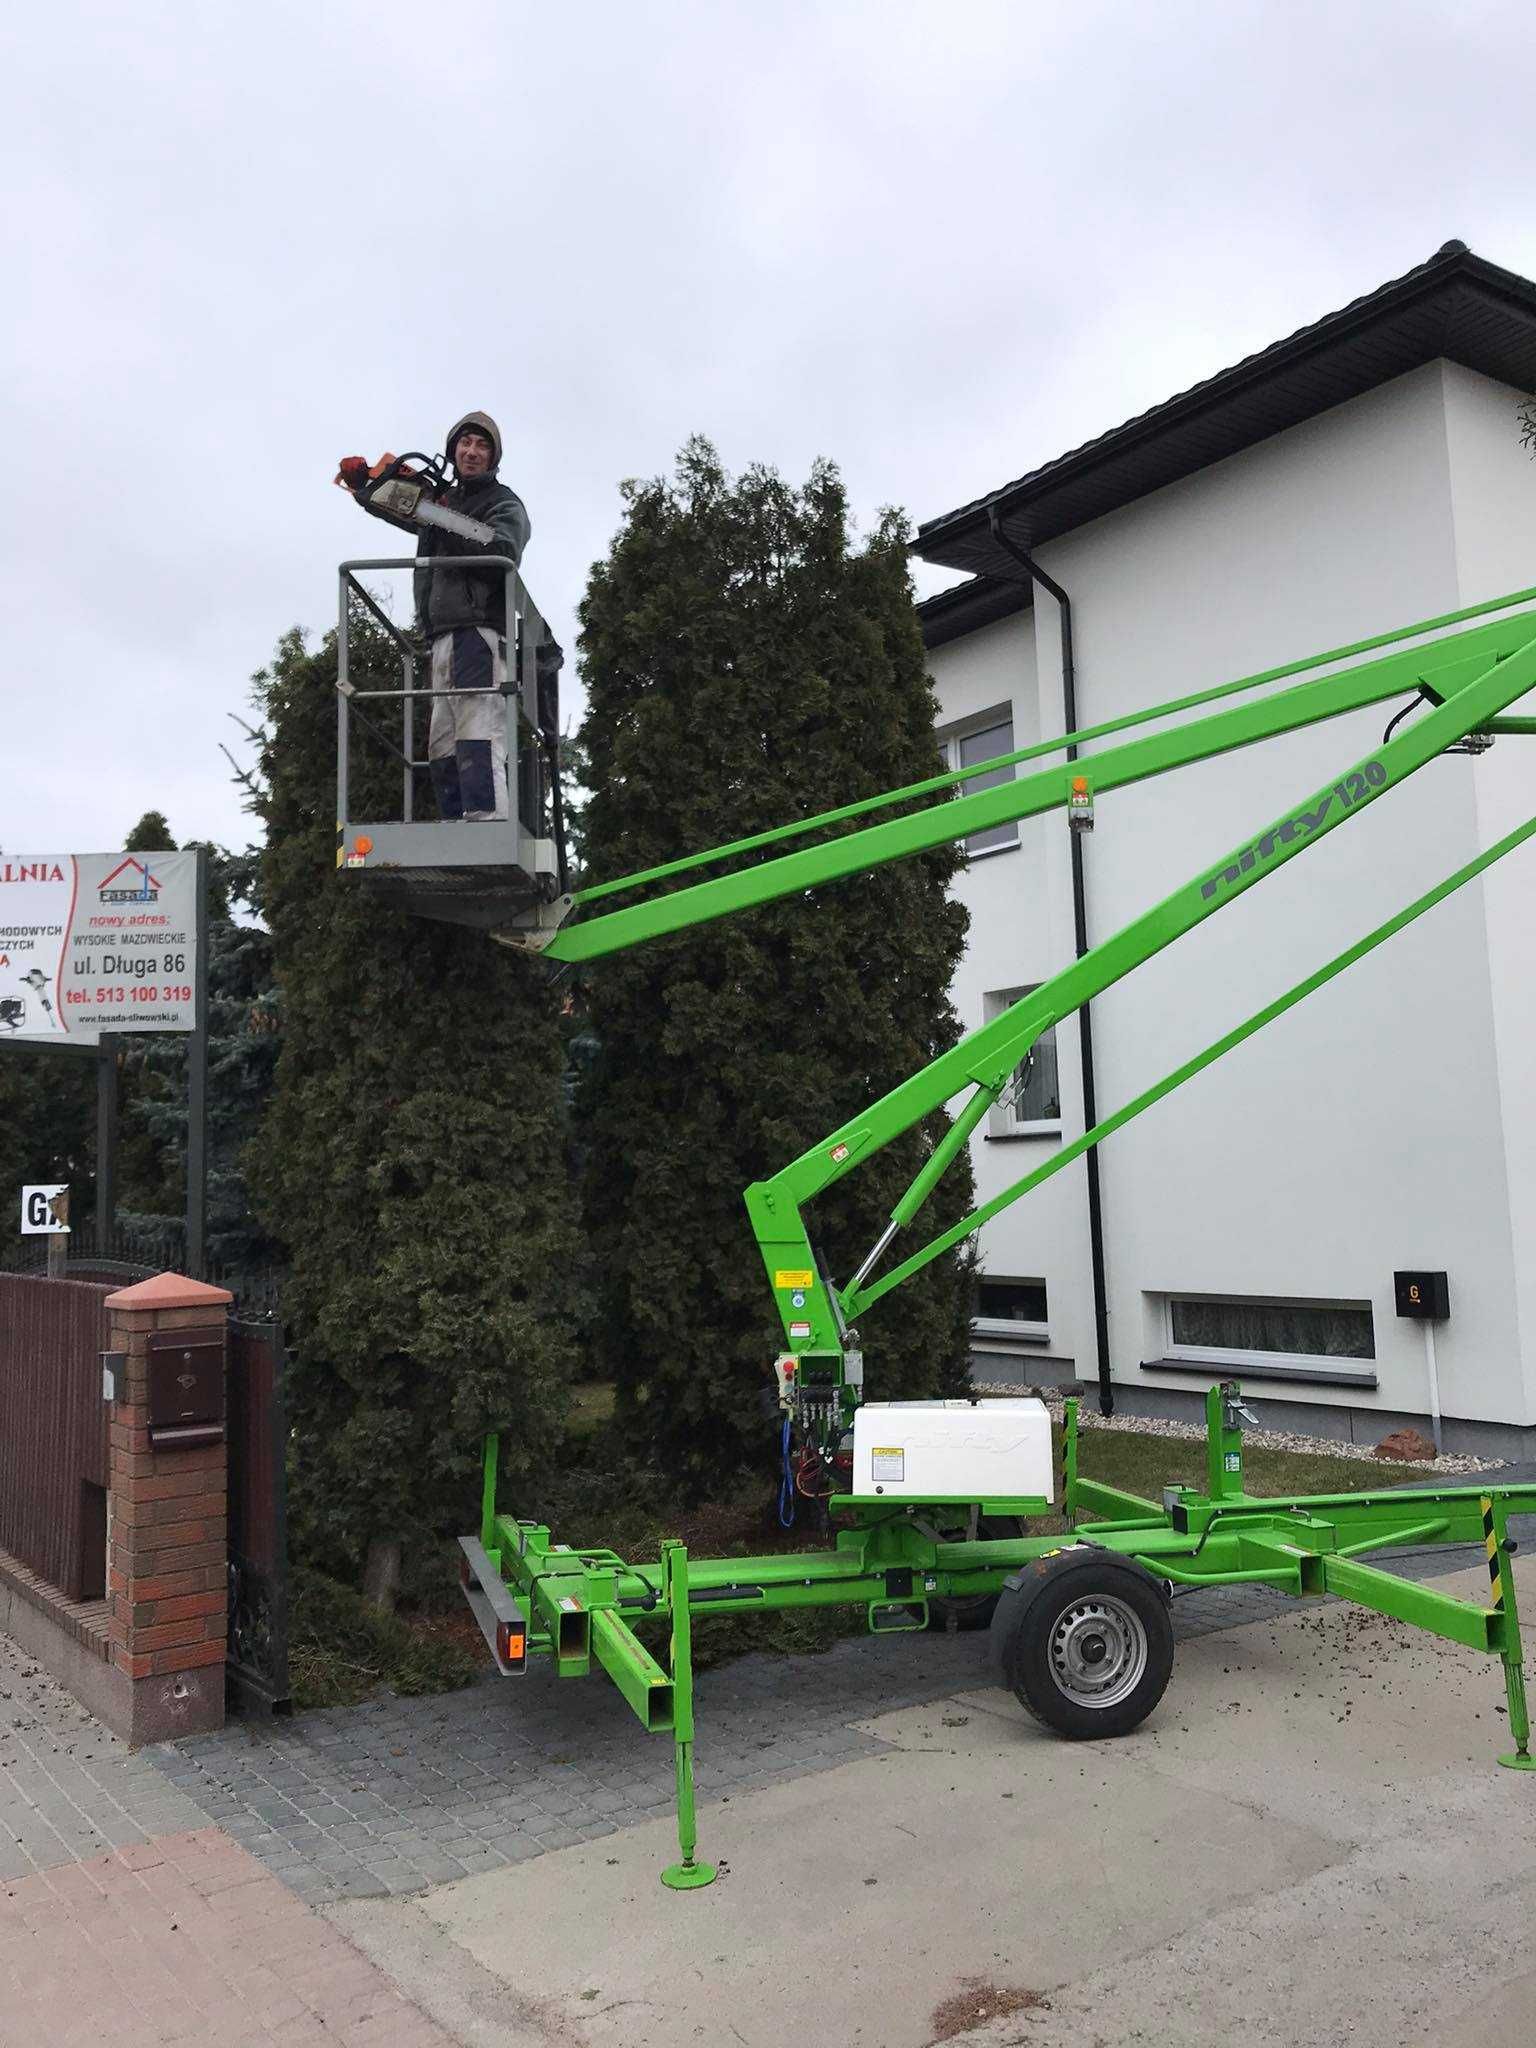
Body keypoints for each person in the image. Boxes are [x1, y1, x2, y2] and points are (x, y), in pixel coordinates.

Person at [414, 411, 531, 822]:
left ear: (493, 456)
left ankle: (487, 829)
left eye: (482, 445)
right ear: (453, 449)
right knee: (442, 745)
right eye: (466, 442)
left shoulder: (503, 503)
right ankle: (454, 827)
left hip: (476, 634)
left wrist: (439, 517)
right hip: (441, 635)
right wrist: (367, 488)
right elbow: (404, 510)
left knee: (478, 735)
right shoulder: (443, 503)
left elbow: (502, 551)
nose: (472, 451)